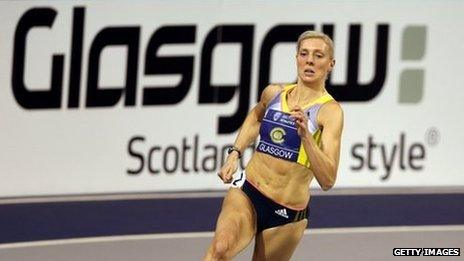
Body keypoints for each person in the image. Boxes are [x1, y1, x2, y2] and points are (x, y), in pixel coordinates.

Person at [204, 30, 344, 261]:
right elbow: (256, 118)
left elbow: (328, 179)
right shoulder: (274, 93)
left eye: (318, 56)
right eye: (304, 53)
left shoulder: (330, 112)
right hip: (248, 191)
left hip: (287, 211)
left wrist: (306, 137)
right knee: (220, 250)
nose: (310, 60)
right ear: (297, 57)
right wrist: (234, 153)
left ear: (330, 64)